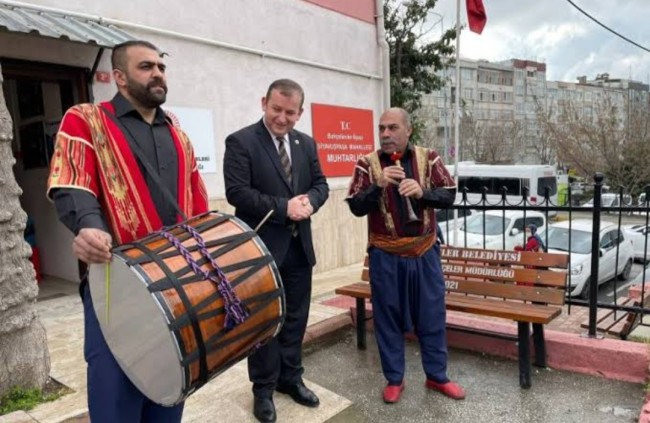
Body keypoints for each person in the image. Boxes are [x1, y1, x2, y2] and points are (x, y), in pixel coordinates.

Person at [47, 40, 209, 423]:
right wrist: (89, 226)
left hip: (177, 285)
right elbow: (73, 182)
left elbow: (197, 202)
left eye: (161, 67)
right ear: (119, 78)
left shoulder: (179, 135)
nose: (157, 73)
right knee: (115, 396)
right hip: (115, 285)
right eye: (146, 67)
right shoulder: (85, 119)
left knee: (170, 390)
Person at [223, 79, 329, 423]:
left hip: (299, 249)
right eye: (276, 109)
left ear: (300, 112)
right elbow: (237, 193)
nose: (282, 118)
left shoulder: (306, 144)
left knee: (296, 319)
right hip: (260, 252)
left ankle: (290, 378)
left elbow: (320, 186)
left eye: (290, 112)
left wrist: (309, 202)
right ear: (264, 102)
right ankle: (264, 389)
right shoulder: (241, 142)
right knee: (265, 322)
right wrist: (284, 207)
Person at [346, 107, 465, 404]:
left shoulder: (429, 157)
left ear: (408, 130)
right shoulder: (367, 164)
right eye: (382, 128)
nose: (386, 134)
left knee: (432, 315)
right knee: (386, 317)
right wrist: (379, 185)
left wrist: (422, 193)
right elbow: (356, 206)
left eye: (393, 128)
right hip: (385, 255)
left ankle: (437, 376)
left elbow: (450, 194)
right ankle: (394, 379)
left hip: (424, 252)